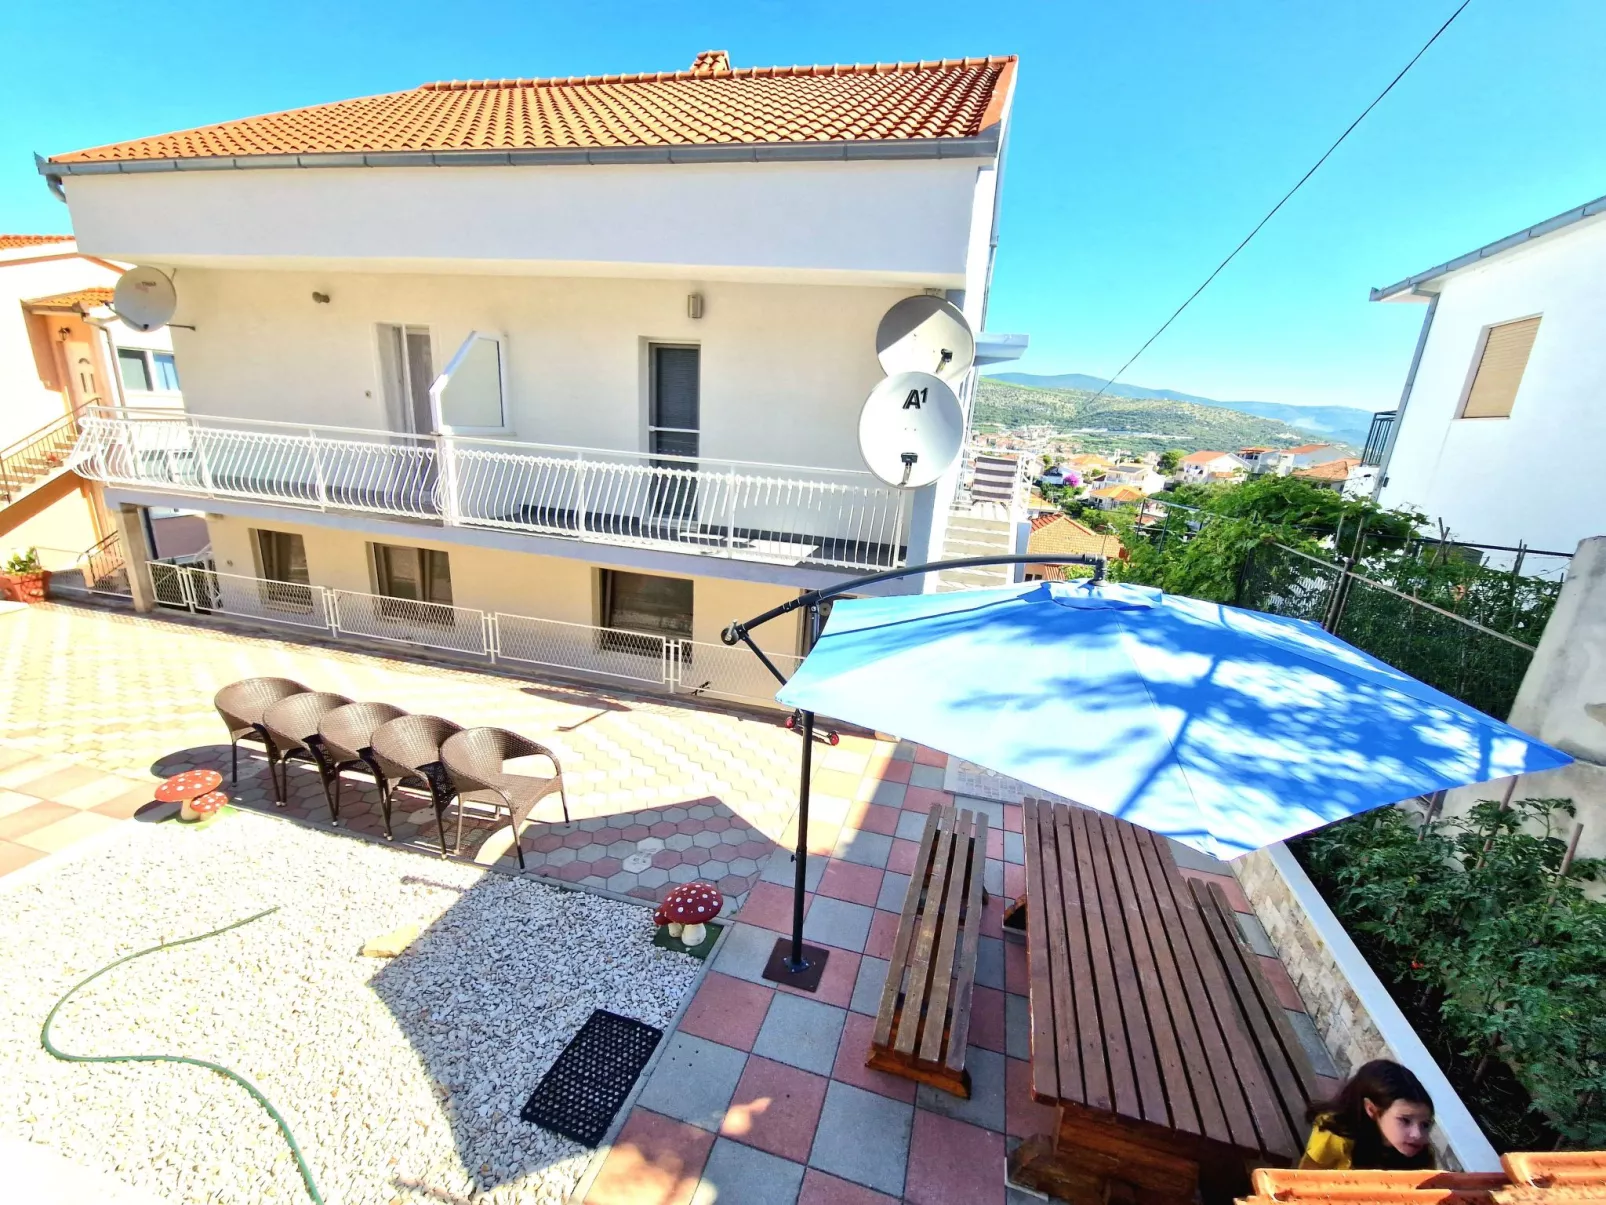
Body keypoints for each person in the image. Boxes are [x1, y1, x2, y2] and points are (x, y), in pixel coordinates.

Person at [1300, 1059, 1436, 1170]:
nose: (1418, 1134)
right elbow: (1303, 1183)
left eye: (1425, 1124)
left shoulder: (1422, 1157)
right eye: (1405, 1120)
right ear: (1371, 1109)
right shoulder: (1335, 1135)